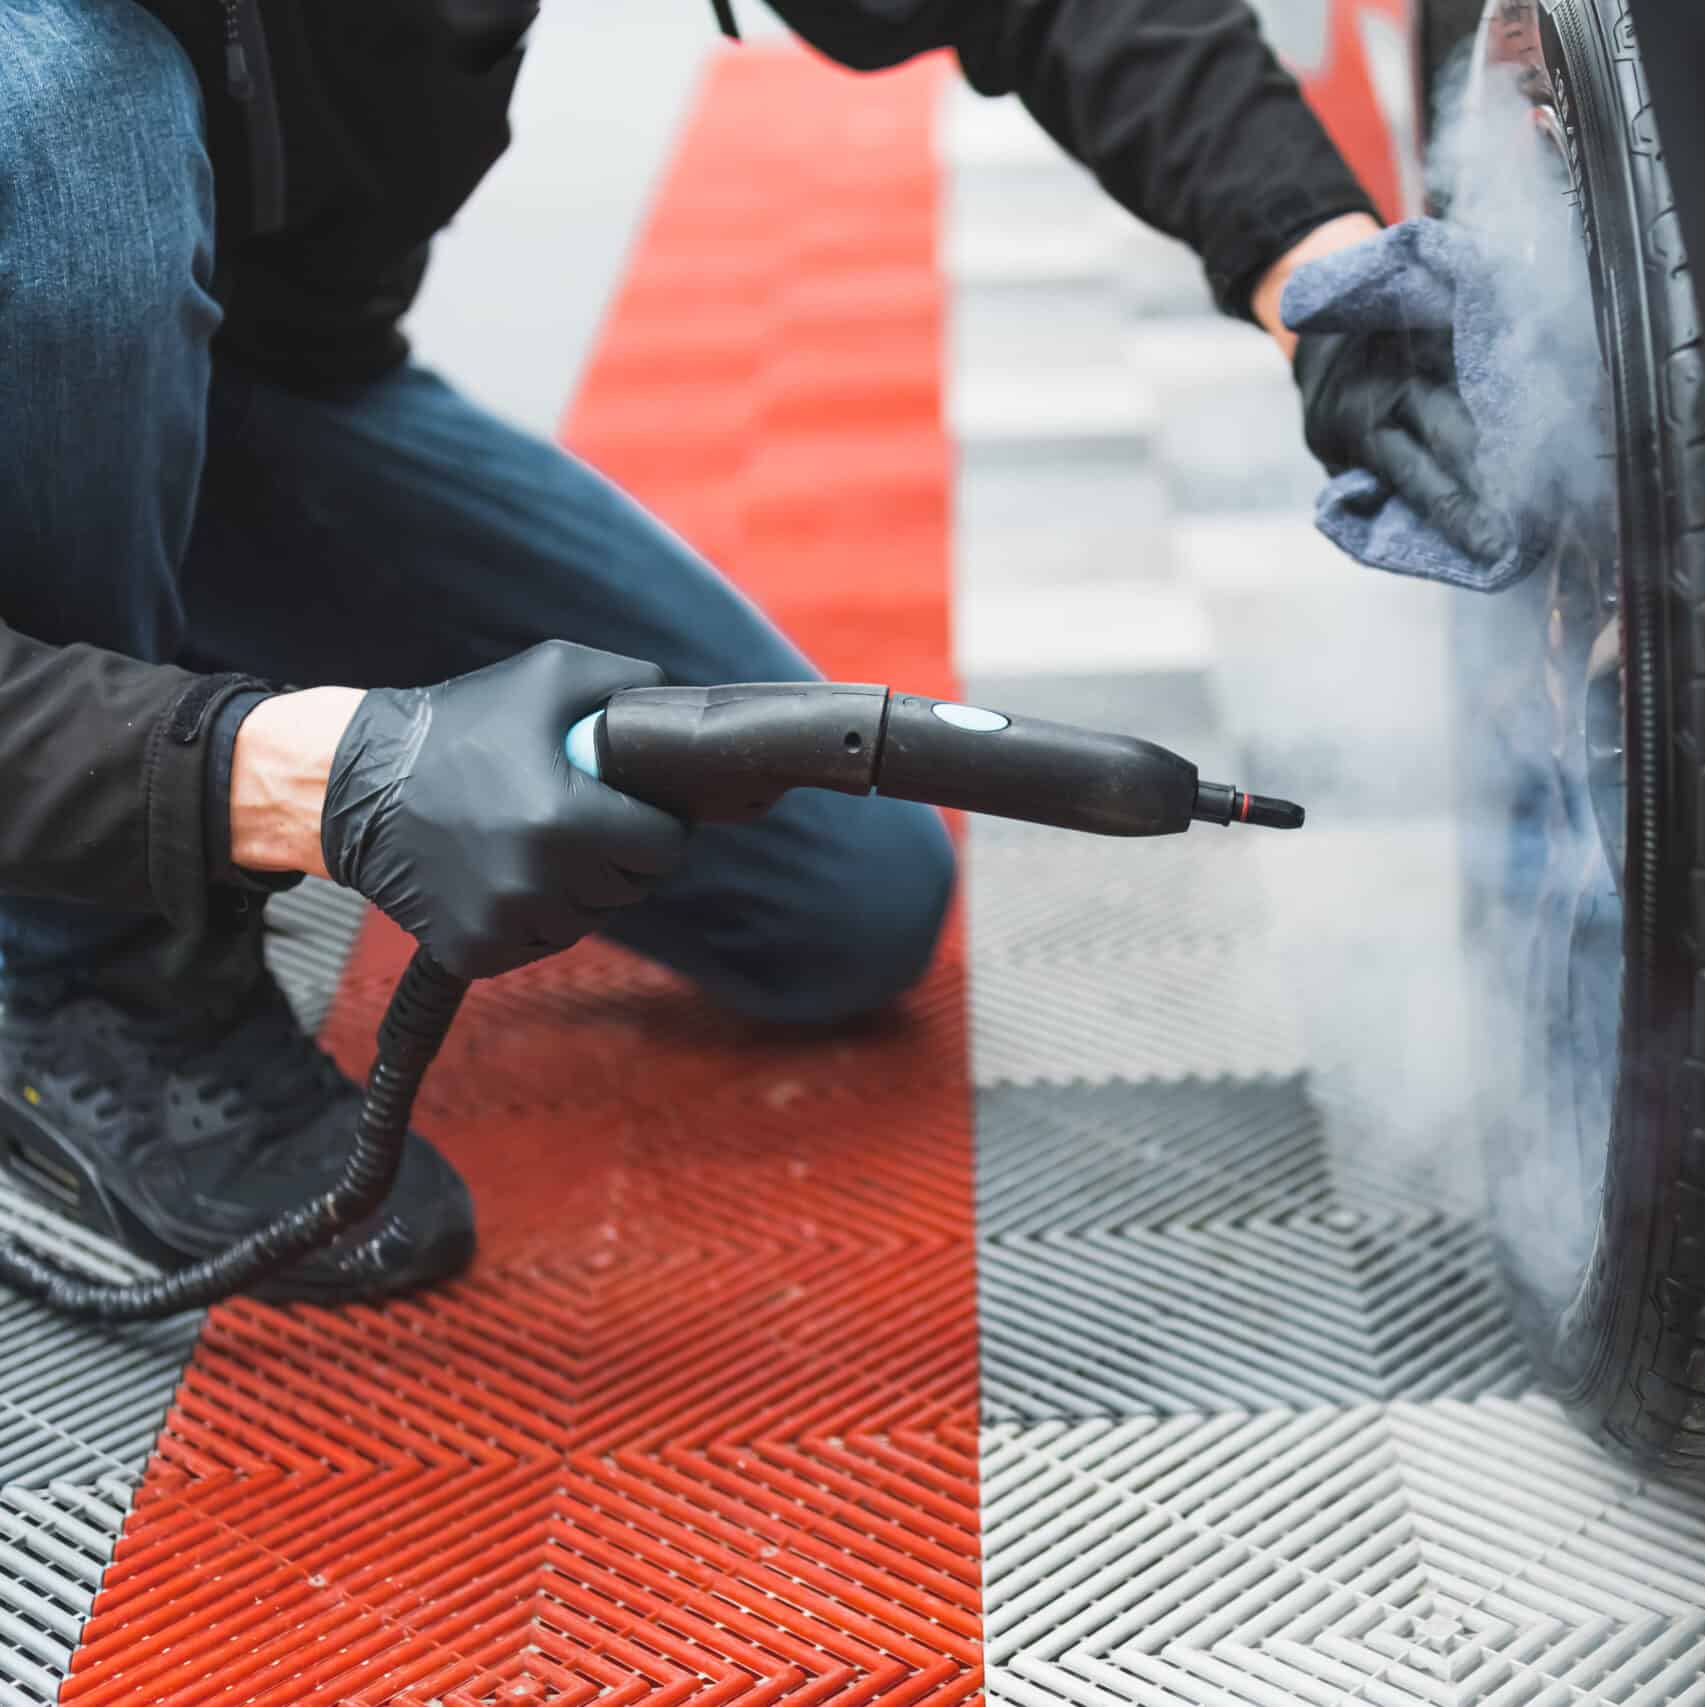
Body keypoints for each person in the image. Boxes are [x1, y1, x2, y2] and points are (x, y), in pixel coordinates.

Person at [0, 0, 1499, 1303]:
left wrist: (1314, 275)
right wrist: (283, 779)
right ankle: (86, 973)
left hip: (271, 400)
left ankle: (126, 596)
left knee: (842, 910)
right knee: (60, 107)